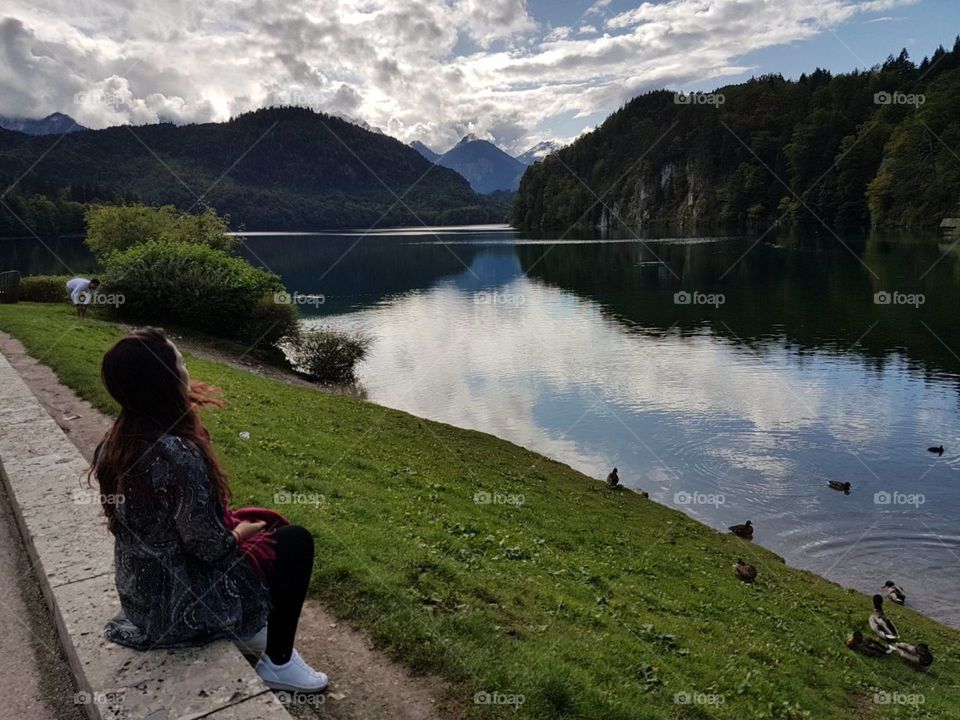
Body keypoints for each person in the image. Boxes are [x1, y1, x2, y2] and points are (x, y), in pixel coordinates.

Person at [89, 327, 328, 692]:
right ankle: (279, 663)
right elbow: (210, 548)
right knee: (294, 542)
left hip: (140, 600)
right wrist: (244, 531)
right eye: (180, 362)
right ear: (163, 381)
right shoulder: (177, 454)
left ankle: (249, 630)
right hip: (177, 608)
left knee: (256, 526)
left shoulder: (115, 443)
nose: (187, 370)